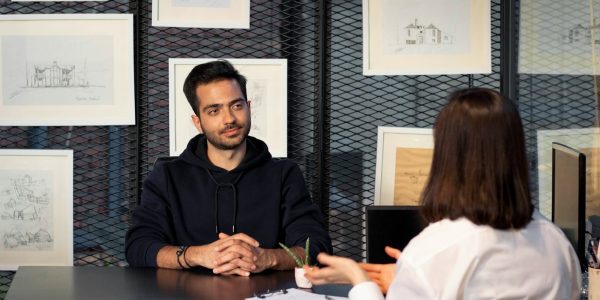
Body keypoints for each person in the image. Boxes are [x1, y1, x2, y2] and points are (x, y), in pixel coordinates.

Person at [305, 88, 582, 299]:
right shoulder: (556, 243)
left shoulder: (434, 250)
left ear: (447, 156)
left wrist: (360, 280)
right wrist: (415, 273)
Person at [125, 60, 332, 276]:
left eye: (236, 105)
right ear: (198, 122)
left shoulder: (284, 174)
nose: (229, 119)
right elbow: (138, 247)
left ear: (248, 107)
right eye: (214, 110)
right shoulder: (168, 176)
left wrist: (266, 258)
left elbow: (317, 248)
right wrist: (196, 255)